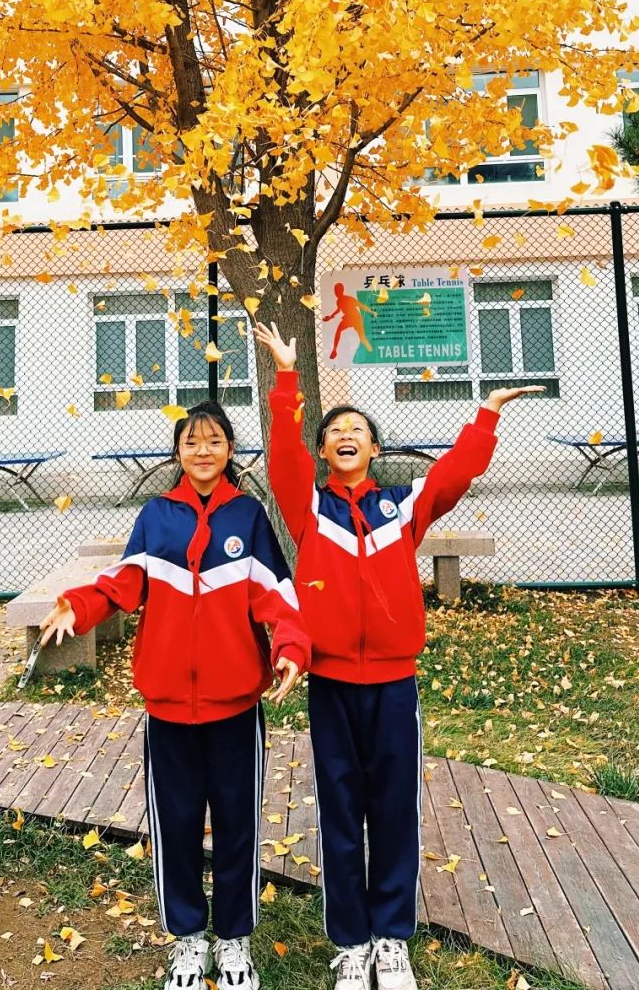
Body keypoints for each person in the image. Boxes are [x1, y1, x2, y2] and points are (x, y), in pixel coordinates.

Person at [255, 321, 541, 990]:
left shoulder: (401, 507)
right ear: (324, 450)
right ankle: (351, 945)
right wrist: (287, 379)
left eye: (357, 428)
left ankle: (391, 941)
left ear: (375, 448)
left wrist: (486, 415)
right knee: (340, 812)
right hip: (331, 685)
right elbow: (283, 459)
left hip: (393, 687)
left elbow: (452, 476)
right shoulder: (309, 509)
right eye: (333, 430)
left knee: (393, 812)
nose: (345, 434)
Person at [39, 402, 311, 990]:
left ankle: (234, 942)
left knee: (238, 825)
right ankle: (188, 939)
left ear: (230, 450)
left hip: (235, 708)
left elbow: (279, 598)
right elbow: (122, 584)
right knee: (177, 826)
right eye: (192, 442)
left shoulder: (249, 517)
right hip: (167, 709)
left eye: (214, 441)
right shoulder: (156, 516)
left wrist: (291, 647)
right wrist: (77, 606)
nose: (203, 451)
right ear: (178, 452)